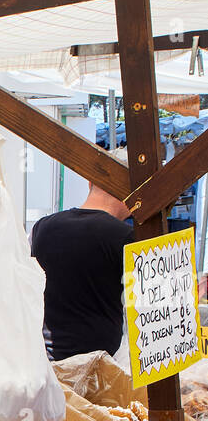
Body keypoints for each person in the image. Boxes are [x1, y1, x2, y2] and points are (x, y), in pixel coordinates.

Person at [30, 153, 133, 361]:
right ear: (128, 190)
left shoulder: (42, 227)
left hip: (45, 362)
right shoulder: (126, 237)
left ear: (89, 182)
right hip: (101, 370)